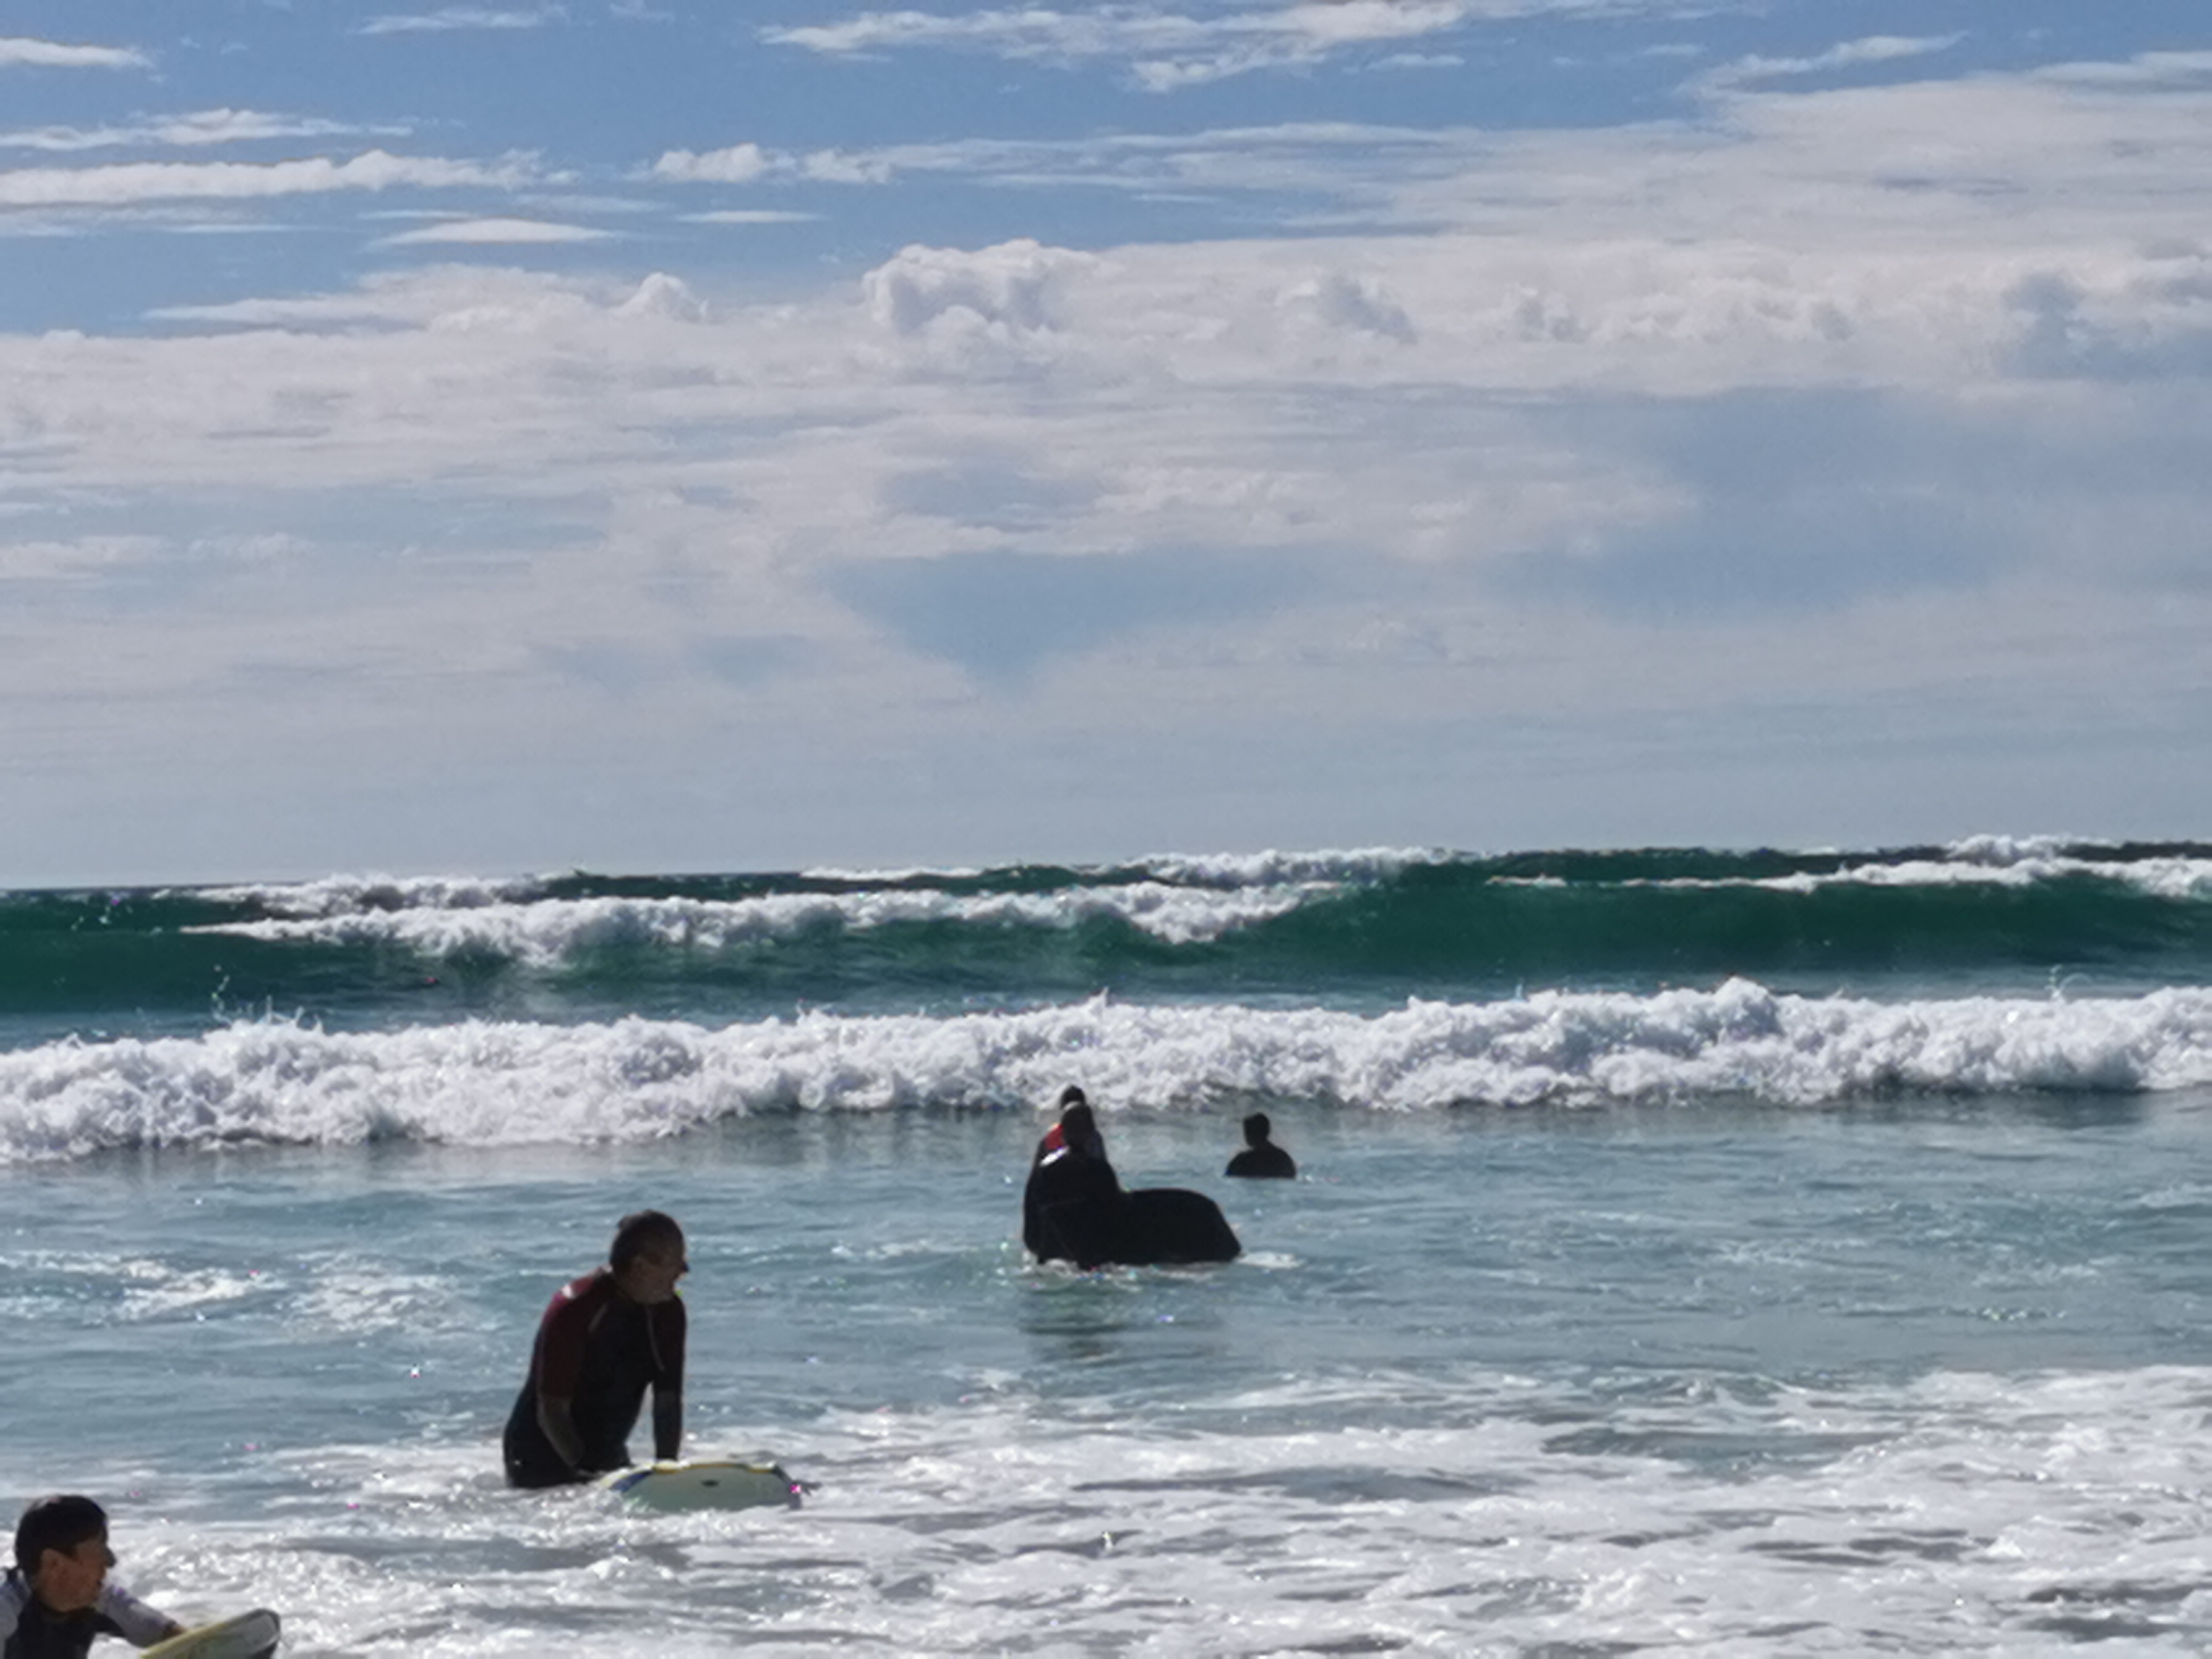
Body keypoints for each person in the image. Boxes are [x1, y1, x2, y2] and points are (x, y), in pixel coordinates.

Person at [503, 1210, 689, 1489]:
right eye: (675, 1262)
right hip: (539, 1455)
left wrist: (667, 1472)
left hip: (608, 1455)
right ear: (640, 1266)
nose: (683, 1271)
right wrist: (588, 1473)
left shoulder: (669, 1312)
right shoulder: (576, 1307)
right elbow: (552, 1409)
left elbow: (668, 1400)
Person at [2, 1495, 184, 1658]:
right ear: (54, 1563)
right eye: (99, 1548)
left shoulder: (100, 1598)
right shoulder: (6, 1607)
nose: (110, 1561)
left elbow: (180, 1641)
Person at [1022, 1086, 1124, 1269]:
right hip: (1087, 1247)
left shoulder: (1044, 1169)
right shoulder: (1101, 1169)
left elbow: (1032, 1209)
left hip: (1051, 1247)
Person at [1225, 1112, 1296, 1180]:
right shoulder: (1283, 1159)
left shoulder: (1241, 1161)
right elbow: (1292, 1176)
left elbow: (1228, 1177)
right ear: (1268, 1131)